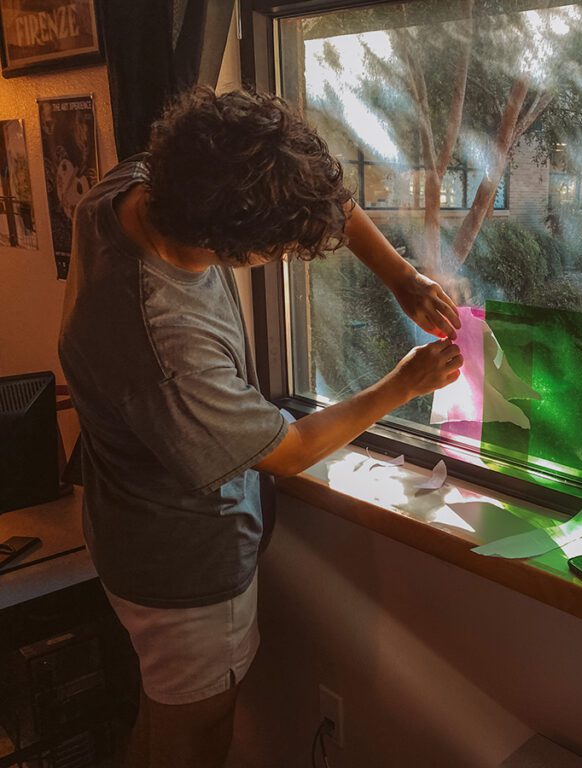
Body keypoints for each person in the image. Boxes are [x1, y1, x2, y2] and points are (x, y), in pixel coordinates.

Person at [58, 87, 463, 768]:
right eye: (277, 249)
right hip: (180, 568)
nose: (283, 258)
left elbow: (311, 194)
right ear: (228, 244)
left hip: (123, 520)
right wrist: (403, 384)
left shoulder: (135, 186)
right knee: (192, 740)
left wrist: (399, 276)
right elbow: (287, 450)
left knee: (162, 720)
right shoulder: (165, 343)